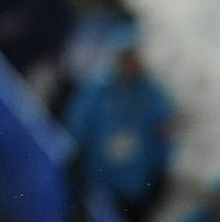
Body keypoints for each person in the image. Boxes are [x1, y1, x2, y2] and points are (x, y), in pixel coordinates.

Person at [64, 31, 175, 222]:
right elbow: (79, 119)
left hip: (133, 183)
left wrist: (159, 171)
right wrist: (76, 149)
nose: (128, 62)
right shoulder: (98, 88)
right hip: (96, 176)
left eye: (132, 56)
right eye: (124, 56)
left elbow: (163, 133)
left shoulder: (153, 95)